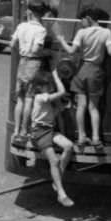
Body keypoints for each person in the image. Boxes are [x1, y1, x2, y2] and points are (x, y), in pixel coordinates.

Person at [60, 6, 111, 149]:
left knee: (80, 106)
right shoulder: (106, 32)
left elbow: (71, 51)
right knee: (93, 107)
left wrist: (62, 40)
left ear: (88, 18)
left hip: (81, 70)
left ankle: (81, 137)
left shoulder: (81, 32)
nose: (81, 22)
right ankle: (95, 138)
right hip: (96, 71)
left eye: (82, 19)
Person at [30, 69, 75, 207]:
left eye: (50, 85)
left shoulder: (46, 100)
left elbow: (53, 112)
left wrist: (62, 107)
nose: (50, 88)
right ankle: (61, 194)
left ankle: (57, 180)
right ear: (39, 86)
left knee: (68, 146)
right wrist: (56, 77)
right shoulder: (40, 97)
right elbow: (61, 92)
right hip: (39, 131)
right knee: (54, 160)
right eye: (47, 85)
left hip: (49, 130)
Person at [10, 0, 52, 145]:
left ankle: (15, 130)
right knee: (29, 99)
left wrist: (22, 51)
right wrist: (45, 53)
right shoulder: (41, 30)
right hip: (33, 63)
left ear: (29, 11)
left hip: (22, 62)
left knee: (19, 99)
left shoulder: (21, 26)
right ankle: (23, 131)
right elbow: (36, 48)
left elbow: (12, 44)